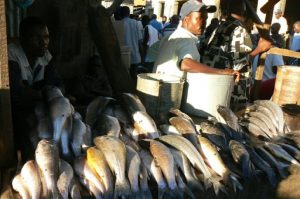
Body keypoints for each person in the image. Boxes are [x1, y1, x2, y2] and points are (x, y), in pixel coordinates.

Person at [8, 16, 64, 160]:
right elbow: (16, 93)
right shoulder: (11, 55)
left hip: (34, 106)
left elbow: (57, 86)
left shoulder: (45, 56)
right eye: (37, 37)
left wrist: (43, 94)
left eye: (46, 37)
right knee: (25, 128)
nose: (44, 43)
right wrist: (46, 94)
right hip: (13, 113)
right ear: (23, 39)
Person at [200, 0, 271, 104]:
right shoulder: (239, 30)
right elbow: (240, 64)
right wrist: (260, 49)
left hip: (214, 85)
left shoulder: (219, 27)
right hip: (230, 91)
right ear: (244, 13)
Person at [149, 0, 238, 81]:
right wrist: (221, 72)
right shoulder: (186, 39)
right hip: (172, 94)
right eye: (200, 17)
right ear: (186, 19)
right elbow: (186, 64)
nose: (204, 22)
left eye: (206, 18)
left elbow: (150, 55)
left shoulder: (169, 37)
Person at [121, 6, 143, 79]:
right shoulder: (135, 23)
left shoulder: (120, 23)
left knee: (124, 76)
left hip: (123, 55)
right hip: (135, 55)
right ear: (129, 13)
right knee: (133, 75)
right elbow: (140, 40)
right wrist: (142, 53)